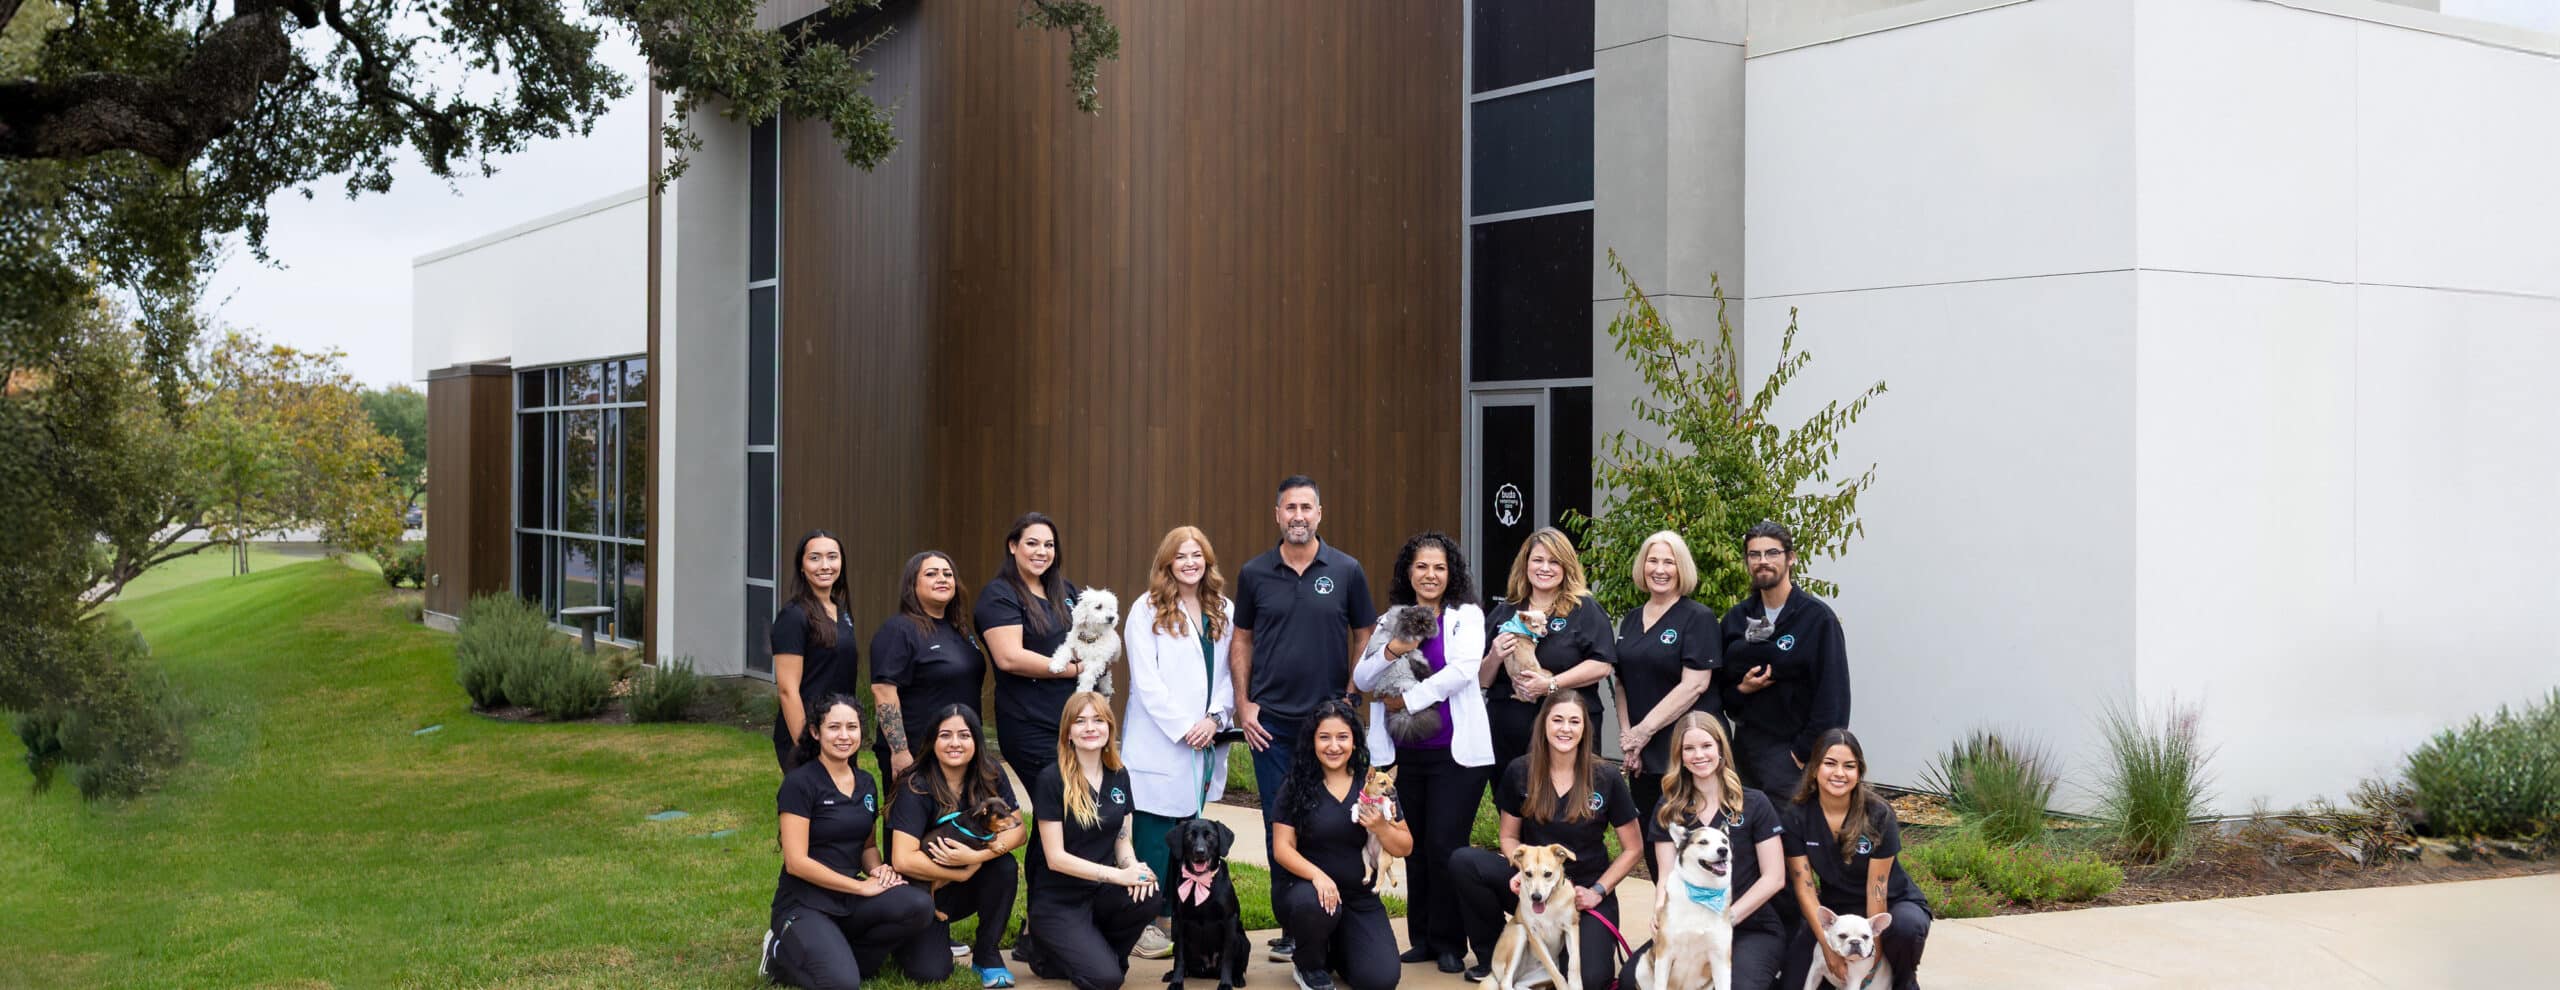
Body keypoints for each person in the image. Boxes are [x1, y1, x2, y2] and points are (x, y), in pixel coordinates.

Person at [1232, 475, 1377, 962]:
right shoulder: (1254, 573)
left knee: (1331, 822)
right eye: (1289, 507)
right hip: (1270, 725)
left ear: (1320, 513)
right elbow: (1242, 640)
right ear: (1277, 515)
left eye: (1306, 507)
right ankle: (1294, 926)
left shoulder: (1347, 570)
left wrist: (1354, 692)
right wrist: (1242, 702)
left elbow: (1365, 632)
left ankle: (1338, 917)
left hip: (1330, 727)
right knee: (1283, 822)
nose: (1298, 515)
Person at [1349, 531, 1488, 974]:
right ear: (1409, 572)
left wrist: (1407, 700)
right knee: (1416, 846)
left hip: (1456, 755)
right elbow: (1365, 677)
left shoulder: (1466, 616)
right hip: (1405, 756)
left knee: (1446, 844)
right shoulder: (1392, 617)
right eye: (1422, 566)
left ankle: (1450, 941)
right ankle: (1423, 938)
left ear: (1452, 574)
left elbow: (1463, 672)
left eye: (1439, 567)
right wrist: (1394, 648)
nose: (1430, 575)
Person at [1447, 689, 1643, 989]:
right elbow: (1508, 835)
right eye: (1558, 720)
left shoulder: (1605, 775)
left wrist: (1599, 891)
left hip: (1584, 892)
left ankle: (1558, 954)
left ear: (1584, 728)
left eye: (1574, 722)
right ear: (1544, 724)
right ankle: (1496, 954)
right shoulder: (1520, 771)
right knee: (1465, 862)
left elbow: (1633, 848)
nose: (1565, 729)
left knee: (1591, 980)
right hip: (1533, 881)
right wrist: (1518, 870)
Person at [764, 693, 943, 988]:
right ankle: (779, 953)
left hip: (849, 900)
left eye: (852, 727)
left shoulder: (865, 783)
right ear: (815, 732)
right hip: (804, 903)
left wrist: (876, 871)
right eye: (834, 727)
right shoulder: (799, 784)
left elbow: (868, 846)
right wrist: (860, 886)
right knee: (843, 984)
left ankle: (840, 950)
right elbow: (796, 863)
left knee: (918, 906)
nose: (844, 736)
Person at [974, 512, 1085, 967]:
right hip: (1029, 723)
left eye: (1049, 545)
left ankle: (1048, 919)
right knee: (1055, 809)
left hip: (1073, 723)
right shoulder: (1000, 595)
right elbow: (1009, 657)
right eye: (1033, 543)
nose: (1042, 552)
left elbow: (1091, 638)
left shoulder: (1068, 591)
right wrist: (1070, 667)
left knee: (1066, 815)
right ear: (1012, 546)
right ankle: (1038, 927)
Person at [1122, 526, 1238, 961]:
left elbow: (1231, 671)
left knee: (1194, 833)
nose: (1190, 562)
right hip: (1162, 738)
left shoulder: (1223, 608)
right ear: (1167, 562)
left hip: (1205, 735)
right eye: (1181, 556)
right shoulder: (1147, 608)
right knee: (1155, 834)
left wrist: (1215, 718)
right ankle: (1147, 921)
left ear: (1207, 561)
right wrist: (1184, 725)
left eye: (1198, 555)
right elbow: (1146, 681)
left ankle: (1179, 917)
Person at [1616, 712, 1786, 990]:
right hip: (1687, 923)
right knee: (1630, 980)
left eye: (1706, 746)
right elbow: (1666, 875)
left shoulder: (1754, 803)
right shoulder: (1669, 807)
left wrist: (1725, 918)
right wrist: (1661, 911)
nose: (1699, 755)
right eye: (1689, 748)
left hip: (1749, 925)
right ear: (1680, 756)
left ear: (1721, 749)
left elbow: (1774, 877)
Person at [1029, 692, 1166, 990]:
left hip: (1101, 893)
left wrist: (1133, 866)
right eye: (1080, 721)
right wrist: (1118, 875)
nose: (1090, 728)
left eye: (1098, 720)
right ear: (1068, 732)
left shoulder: (1119, 775)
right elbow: (1055, 857)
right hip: (1059, 901)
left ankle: (1103, 954)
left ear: (1109, 729)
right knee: (1106, 980)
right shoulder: (1051, 779)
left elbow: (1121, 837)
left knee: (1149, 892)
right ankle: (1047, 952)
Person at [1271, 700, 1413, 990]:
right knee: (1317, 906)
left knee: (1380, 980)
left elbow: (1405, 846)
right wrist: (1317, 876)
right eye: (1324, 737)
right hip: (1306, 894)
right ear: (1312, 741)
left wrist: (1380, 827)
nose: (1333, 746)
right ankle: (1309, 964)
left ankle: (1335, 949)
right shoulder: (1296, 785)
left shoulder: (1375, 785)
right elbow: (1282, 848)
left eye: (1342, 737)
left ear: (1354, 741)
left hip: (1357, 897)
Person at [886, 704, 1028, 989]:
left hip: (968, 882)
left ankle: (987, 954)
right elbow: (902, 860)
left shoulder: (990, 773)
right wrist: (959, 873)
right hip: (922, 891)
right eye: (945, 735)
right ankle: (911, 937)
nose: (955, 743)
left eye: (964, 735)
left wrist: (979, 855)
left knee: (1004, 867)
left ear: (975, 740)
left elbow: (1019, 830)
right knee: (930, 972)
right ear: (932, 741)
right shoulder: (916, 784)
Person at [1779, 729, 1929, 990]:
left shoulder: (1878, 813)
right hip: (1837, 908)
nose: (1839, 773)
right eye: (1830, 763)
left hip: (1890, 902)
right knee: (1793, 981)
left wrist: (1874, 955)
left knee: (1908, 928)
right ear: (1814, 768)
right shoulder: (1797, 814)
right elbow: (1805, 887)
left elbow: (1877, 889)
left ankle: (1903, 981)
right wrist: (1828, 947)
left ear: (1859, 772)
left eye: (1849, 766)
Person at [1718, 520, 1851, 795]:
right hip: (1747, 754)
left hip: (1794, 756)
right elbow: (1720, 689)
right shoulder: (1735, 619)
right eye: (1754, 555)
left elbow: (1834, 696)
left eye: (1772, 553)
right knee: (1748, 835)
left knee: (1794, 836)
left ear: (1791, 558)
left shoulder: (1816, 619)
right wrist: (1742, 690)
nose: (1762, 561)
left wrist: (1805, 753)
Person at [1480, 527, 1616, 774]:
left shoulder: (1584, 609)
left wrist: (1550, 684)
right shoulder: (1506, 612)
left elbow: (1601, 665)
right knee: (1513, 805)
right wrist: (1494, 656)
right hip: (1510, 735)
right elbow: (1482, 680)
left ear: (1566, 567)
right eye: (1538, 560)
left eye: (1554, 562)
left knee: (1566, 806)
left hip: (1568, 732)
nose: (1545, 568)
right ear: (1526, 564)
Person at [1611, 530, 1723, 814]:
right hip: (1642, 753)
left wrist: (1642, 732)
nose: (1660, 570)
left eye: (1669, 562)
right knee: (1652, 836)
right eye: (1653, 561)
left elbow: (1694, 685)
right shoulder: (1632, 619)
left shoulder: (1698, 617)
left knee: (1691, 839)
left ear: (1681, 568)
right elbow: (1621, 682)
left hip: (1686, 751)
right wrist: (1628, 740)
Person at [870, 551, 984, 779]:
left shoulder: (959, 630)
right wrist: (900, 752)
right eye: (931, 574)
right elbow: (883, 691)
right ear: (912, 585)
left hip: (960, 750)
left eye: (947, 574)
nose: (942, 579)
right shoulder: (899, 629)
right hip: (918, 753)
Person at [773, 530, 860, 772]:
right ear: (801, 566)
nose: (825, 565)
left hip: (839, 732)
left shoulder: (839, 610)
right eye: (814, 558)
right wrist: (807, 744)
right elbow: (787, 690)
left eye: (832, 557)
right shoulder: (793, 616)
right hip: (809, 736)